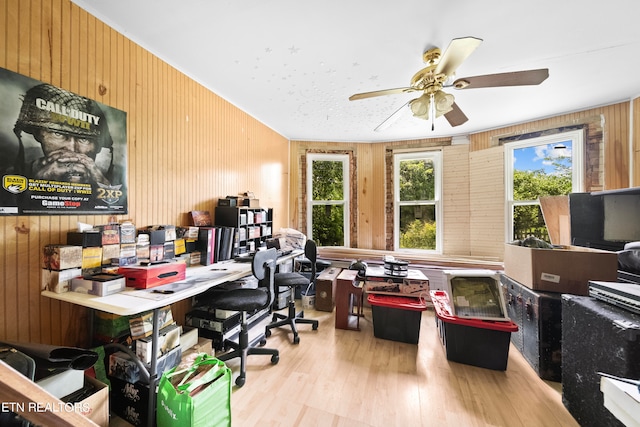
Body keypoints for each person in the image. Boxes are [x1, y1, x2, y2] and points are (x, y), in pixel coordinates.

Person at [11, 83, 114, 186]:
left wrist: (103, 186)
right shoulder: (10, 174)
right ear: (37, 134)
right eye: (58, 134)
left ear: (98, 146)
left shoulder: (115, 177)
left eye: (84, 139)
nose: (72, 149)